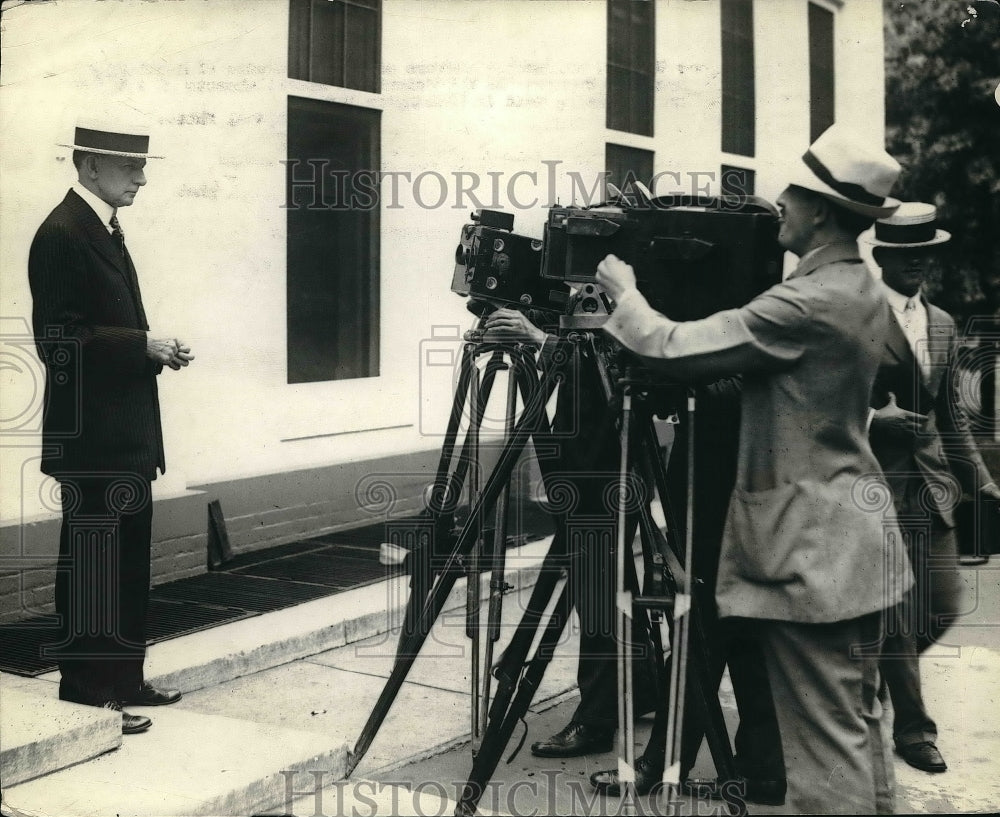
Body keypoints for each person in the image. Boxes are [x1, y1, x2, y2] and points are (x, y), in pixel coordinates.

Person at [590, 123, 914, 814]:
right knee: (855, 732)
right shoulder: (859, 287)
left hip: (813, 554)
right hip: (853, 542)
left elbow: (670, 343)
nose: (779, 207)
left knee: (824, 761)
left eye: (791, 195)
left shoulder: (806, 300)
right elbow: (803, 385)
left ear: (821, 210)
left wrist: (624, 290)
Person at [28, 116, 194, 735]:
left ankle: (124, 681)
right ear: (90, 166)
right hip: (93, 439)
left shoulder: (99, 228)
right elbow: (59, 340)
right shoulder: (63, 232)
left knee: (124, 563)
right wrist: (143, 344)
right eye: (132, 168)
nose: (142, 179)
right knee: (95, 566)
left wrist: (151, 348)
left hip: (120, 435)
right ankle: (88, 693)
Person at [482, 307, 656, 757]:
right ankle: (643, 683)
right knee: (605, 579)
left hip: (612, 459)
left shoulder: (630, 281)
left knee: (597, 584)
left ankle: (598, 718)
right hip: (587, 457)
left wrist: (540, 339)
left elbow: (615, 361)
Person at [865, 202, 1000, 774]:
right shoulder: (857, 316)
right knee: (895, 614)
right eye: (905, 254)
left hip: (933, 490)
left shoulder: (943, 323)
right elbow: (822, 403)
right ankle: (914, 732)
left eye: (924, 253)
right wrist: (877, 423)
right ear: (882, 257)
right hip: (872, 487)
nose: (916, 263)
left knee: (942, 604)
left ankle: (874, 680)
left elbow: (953, 417)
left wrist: (985, 483)